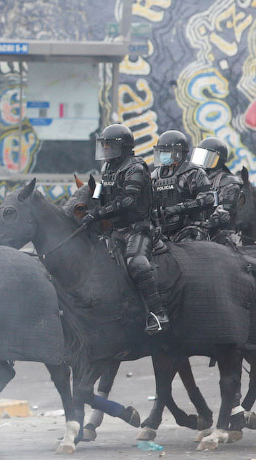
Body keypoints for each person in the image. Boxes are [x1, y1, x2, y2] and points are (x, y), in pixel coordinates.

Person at [82, 124, 169, 334]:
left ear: (124, 147)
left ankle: (158, 314)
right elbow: (102, 193)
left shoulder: (136, 168)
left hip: (139, 228)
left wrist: (100, 213)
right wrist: (91, 201)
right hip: (115, 229)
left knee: (136, 263)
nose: (106, 150)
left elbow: (128, 201)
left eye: (109, 146)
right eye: (104, 146)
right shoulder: (107, 168)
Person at [150, 130, 215, 242]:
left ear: (179, 153)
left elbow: (208, 199)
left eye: (167, 152)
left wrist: (178, 208)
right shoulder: (154, 176)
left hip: (191, 229)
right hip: (162, 231)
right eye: (161, 151)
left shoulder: (193, 172)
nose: (163, 155)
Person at [191, 136, 243, 247]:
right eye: (200, 155)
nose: (202, 161)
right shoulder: (192, 178)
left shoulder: (229, 182)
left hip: (220, 235)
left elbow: (223, 214)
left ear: (219, 159)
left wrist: (203, 225)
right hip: (193, 231)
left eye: (207, 157)